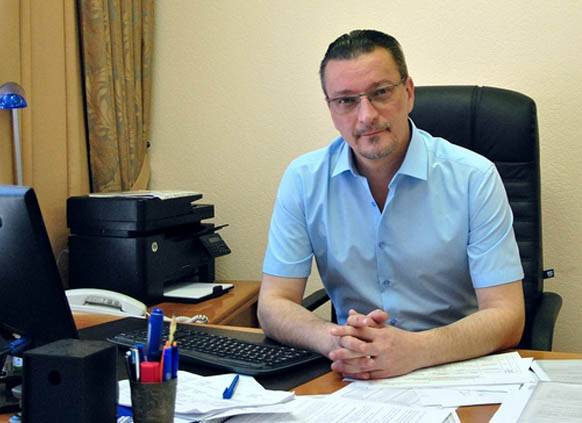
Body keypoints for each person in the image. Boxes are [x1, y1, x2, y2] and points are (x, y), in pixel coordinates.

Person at [258, 29, 525, 380]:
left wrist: (415, 350)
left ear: (409, 92)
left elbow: (507, 315)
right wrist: (336, 340)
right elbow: (273, 303)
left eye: (381, 92)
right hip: (353, 373)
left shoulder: (474, 177)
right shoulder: (304, 179)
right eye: (346, 101)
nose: (366, 115)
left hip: (452, 369)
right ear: (331, 109)